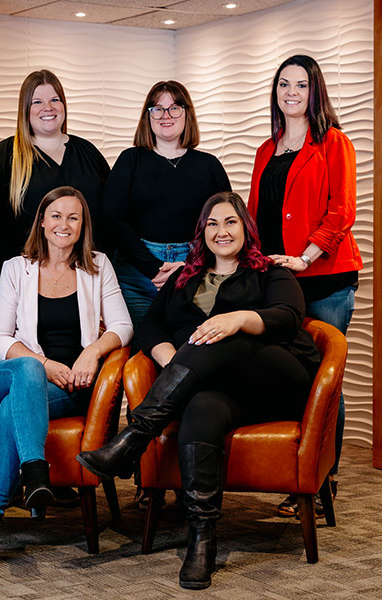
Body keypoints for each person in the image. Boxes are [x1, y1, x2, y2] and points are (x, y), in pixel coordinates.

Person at [77, 192, 320, 590]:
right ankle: (201, 540)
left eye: (230, 222)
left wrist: (239, 318)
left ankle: (135, 436)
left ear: (246, 228)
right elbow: (151, 326)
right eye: (212, 224)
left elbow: (288, 317)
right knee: (201, 410)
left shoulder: (271, 272)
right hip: (213, 388)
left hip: (275, 381)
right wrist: (173, 355)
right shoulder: (184, 277)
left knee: (219, 335)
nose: (221, 232)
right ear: (201, 233)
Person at [0, 186, 132, 574]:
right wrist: (42, 363)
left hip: (67, 389)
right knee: (25, 372)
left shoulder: (98, 266)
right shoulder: (15, 268)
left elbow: (122, 325)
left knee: (11, 412)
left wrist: (92, 352)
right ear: (42, 220)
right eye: (56, 215)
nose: (64, 224)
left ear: (83, 225)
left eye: (73, 217)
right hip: (5, 376)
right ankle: (34, 467)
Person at [248, 54, 362, 518]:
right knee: (293, 374)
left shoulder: (334, 142)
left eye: (301, 85)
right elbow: (257, 218)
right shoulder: (265, 149)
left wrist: (307, 255)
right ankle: (297, 474)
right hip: (280, 282)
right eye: (283, 85)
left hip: (326, 276)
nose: (291, 92)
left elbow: (342, 210)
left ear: (315, 92)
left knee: (324, 378)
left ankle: (321, 484)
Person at [103, 80, 231, 351]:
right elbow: (113, 219)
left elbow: (226, 227)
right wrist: (153, 268)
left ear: (187, 114)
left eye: (175, 108)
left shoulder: (209, 165)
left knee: (193, 351)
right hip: (137, 273)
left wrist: (189, 265)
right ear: (147, 116)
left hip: (197, 269)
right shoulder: (130, 160)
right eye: (157, 109)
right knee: (141, 353)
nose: (166, 116)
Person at [0, 69, 110, 266]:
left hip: (86, 272)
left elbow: (112, 217)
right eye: (37, 102)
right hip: (23, 278)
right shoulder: (3, 157)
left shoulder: (88, 153)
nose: (48, 108)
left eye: (55, 100)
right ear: (25, 109)